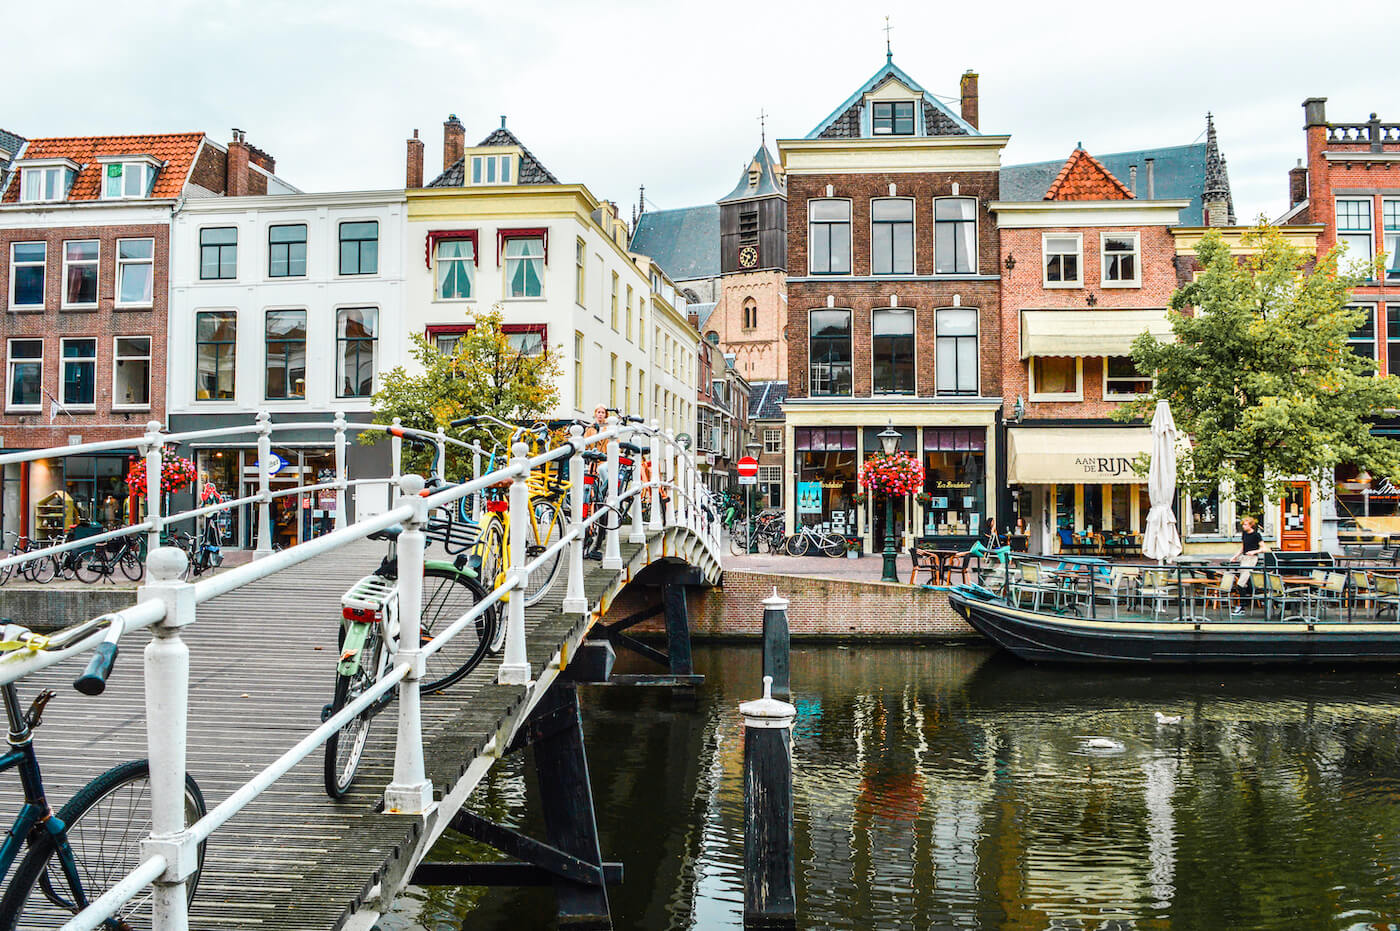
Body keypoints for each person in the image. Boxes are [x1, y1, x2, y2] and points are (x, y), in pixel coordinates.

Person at [1229, 515, 1268, 616]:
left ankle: (1242, 606)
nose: (1243, 526)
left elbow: (1264, 548)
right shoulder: (1244, 534)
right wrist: (1235, 557)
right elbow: (1242, 547)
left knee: (1241, 583)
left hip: (1251, 559)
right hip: (1244, 558)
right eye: (1243, 524)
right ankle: (1253, 599)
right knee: (1245, 582)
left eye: (1245, 524)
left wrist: (1254, 552)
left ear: (1251, 525)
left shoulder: (1256, 535)